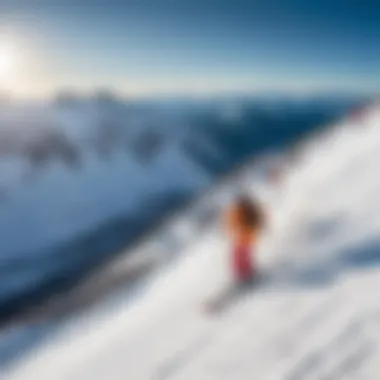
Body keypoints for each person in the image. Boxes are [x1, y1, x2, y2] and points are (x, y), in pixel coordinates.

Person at [225, 194, 265, 284]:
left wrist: (232, 231)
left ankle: (245, 274)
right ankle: (244, 273)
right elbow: (232, 223)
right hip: (244, 235)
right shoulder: (243, 211)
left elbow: (232, 222)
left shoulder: (241, 211)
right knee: (242, 254)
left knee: (241, 254)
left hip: (244, 235)